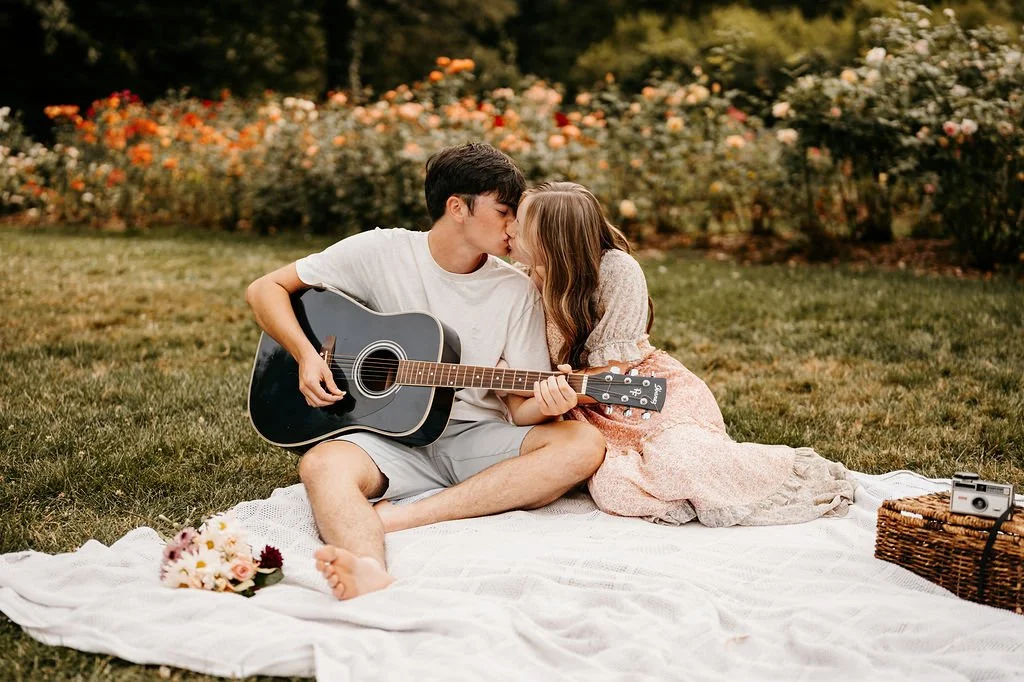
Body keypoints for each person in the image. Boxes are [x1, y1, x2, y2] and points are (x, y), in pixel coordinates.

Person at [380, 181, 855, 531]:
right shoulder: (520, 277)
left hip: (633, 391)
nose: (508, 232)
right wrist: (529, 384)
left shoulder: (616, 272)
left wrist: (566, 386)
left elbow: (616, 367)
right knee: (610, 482)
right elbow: (517, 364)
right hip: (566, 402)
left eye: (518, 226)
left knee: (680, 461)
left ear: (551, 237)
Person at [245, 148, 606, 600]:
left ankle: (408, 516)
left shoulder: (516, 291)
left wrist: (549, 403)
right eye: (503, 211)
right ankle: (367, 569)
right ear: (457, 207)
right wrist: (305, 354)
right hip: (387, 438)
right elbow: (265, 288)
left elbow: (518, 409)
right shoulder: (380, 251)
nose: (515, 225)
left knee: (582, 444)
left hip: (473, 436)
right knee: (320, 464)